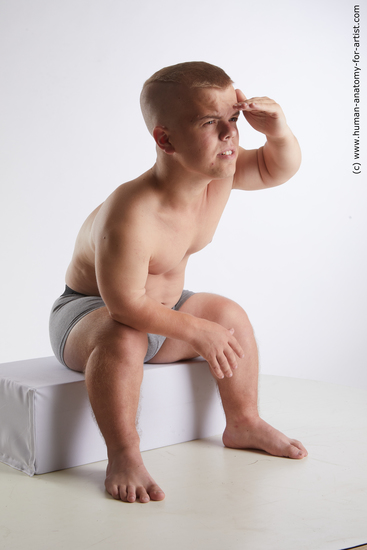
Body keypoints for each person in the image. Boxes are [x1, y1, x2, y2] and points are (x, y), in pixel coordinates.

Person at [49, 61, 308, 504]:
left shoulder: (218, 175)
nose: (230, 135)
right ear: (165, 139)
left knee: (228, 315)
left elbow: (274, 168)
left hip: (161, 314)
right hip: (89, 316)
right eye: (211, 123)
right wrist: (194, 330)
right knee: (124, 338)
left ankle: (244, 421)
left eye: (234, 119)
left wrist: (277, 131)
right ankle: (124, 453)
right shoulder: (131, 212)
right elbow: (126, 306)